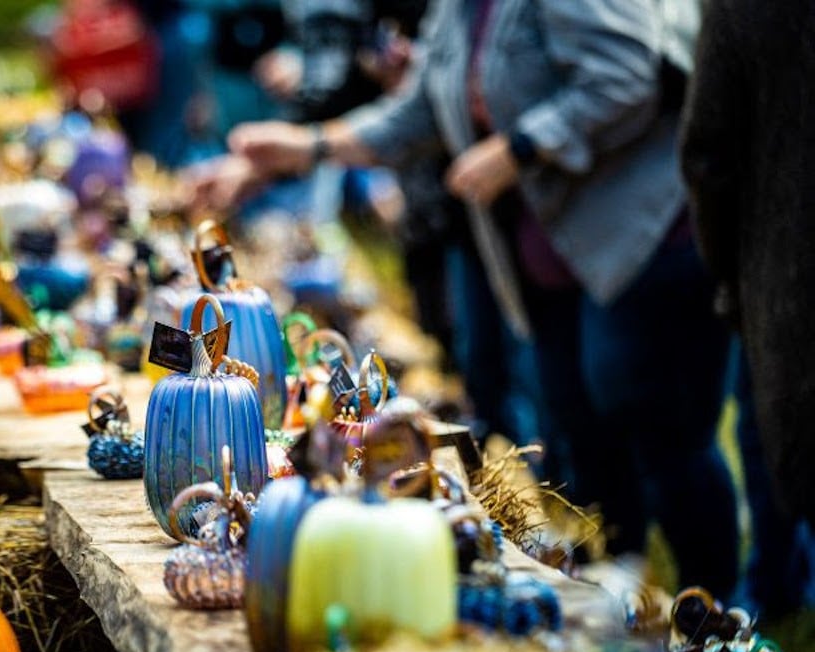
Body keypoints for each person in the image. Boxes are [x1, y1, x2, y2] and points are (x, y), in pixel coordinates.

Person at [195, 0, 740, 597]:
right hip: (554, 255)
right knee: (578, 415)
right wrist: (308, 148)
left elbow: (624, 76)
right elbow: (423, 108)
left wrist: (518, 149)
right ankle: (619, 575)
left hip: (643, 236)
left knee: (654, 419)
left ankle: (713, 610)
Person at [681, 1, 815, 615]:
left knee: (770, 426)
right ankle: (779, 584)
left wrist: (733, 275)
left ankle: (776, 586)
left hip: (789, 279)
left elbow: (709, 155)